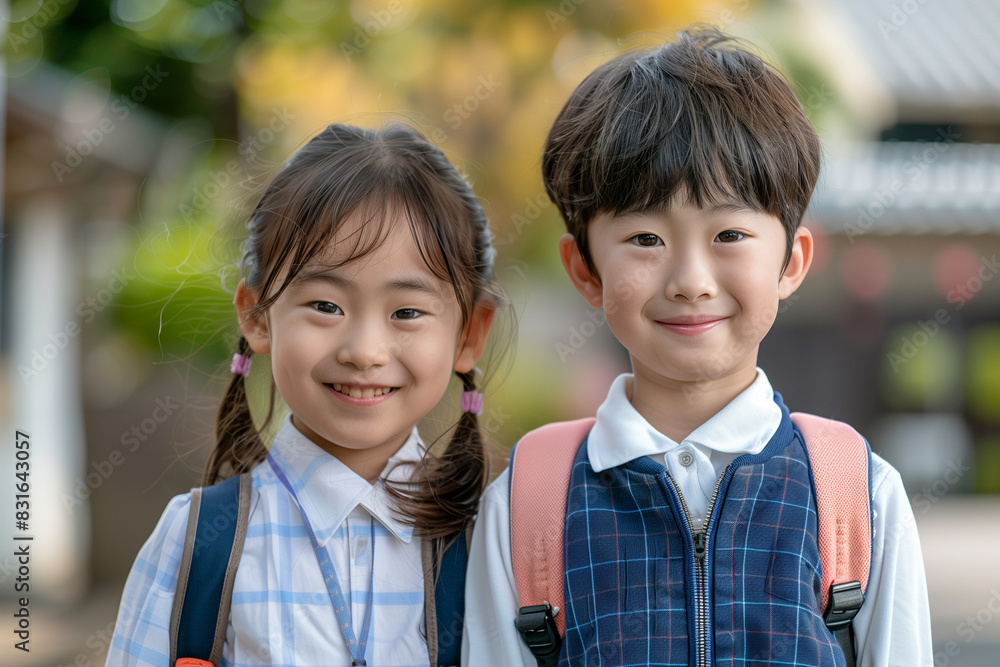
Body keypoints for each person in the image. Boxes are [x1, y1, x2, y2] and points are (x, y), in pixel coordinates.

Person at [462, 28, 932, 667]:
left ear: (791, 261)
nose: (689, 281)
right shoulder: (527, 505)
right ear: (585, 270)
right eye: (646, 239)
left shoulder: (858, 495)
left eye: (730, 233)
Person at [107, 122, 503, 667]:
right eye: (326, 306)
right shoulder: (199, 546)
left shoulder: (496, 542)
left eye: (407, 312)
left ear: (469, 335)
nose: (365, 351)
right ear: (257, 316)